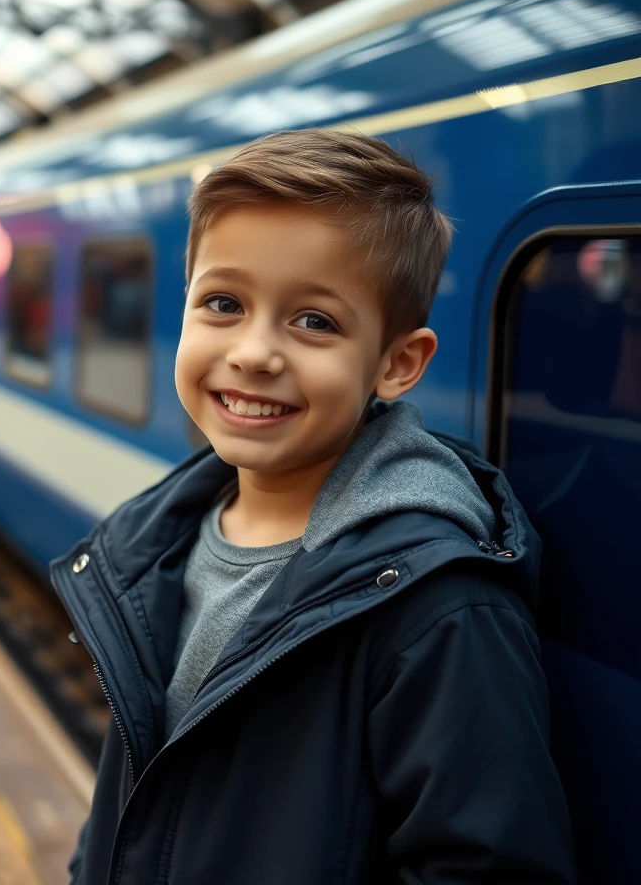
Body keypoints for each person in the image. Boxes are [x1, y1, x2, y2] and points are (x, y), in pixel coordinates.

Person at [51, 129, 575, 885]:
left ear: (398, 363)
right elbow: (127, 810)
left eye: (315, 322)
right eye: (224, 303)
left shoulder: (436, 608)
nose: (256, 352)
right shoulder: (161, 541)